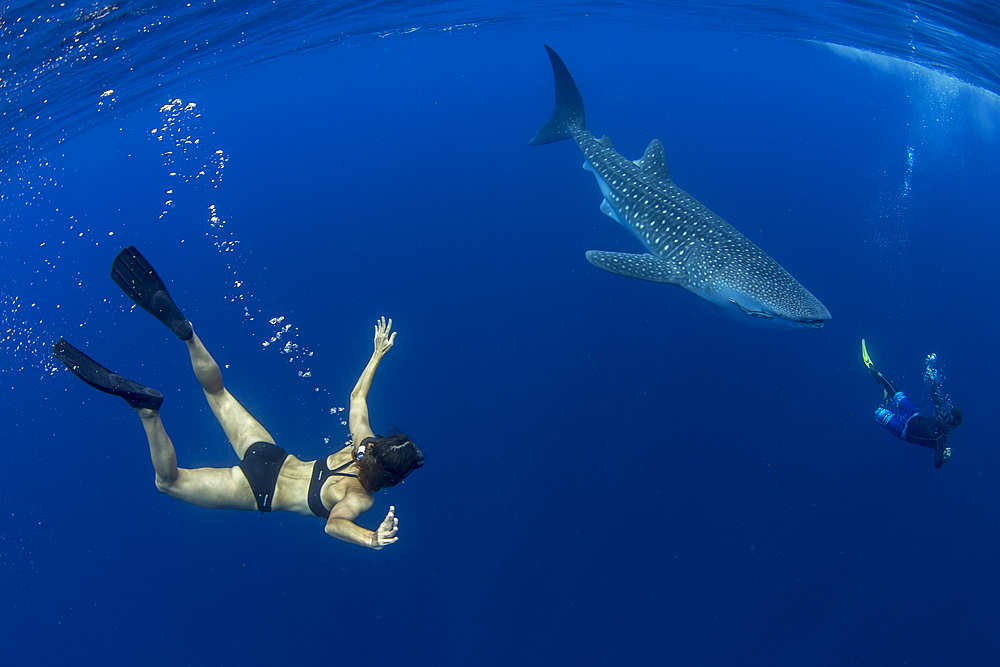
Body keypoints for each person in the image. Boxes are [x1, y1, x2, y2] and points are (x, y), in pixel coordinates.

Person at [53, 246, 423, 549]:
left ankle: (189, 335)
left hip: (271, 454)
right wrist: (371, 537)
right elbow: (335, 525)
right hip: (256, 488)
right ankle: (147, 412)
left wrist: (376, 355)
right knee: (169, 482)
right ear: (393, 478)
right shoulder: (361, 497)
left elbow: (357, 398)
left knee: (216, 391)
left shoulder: (363, 444)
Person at [862, 339, 962, 469]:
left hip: (903, 430)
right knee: (894, 389)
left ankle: (883, 404)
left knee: (878, 413)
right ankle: (874, 371)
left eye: (948, 419)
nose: (945, 417)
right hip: (911, 413)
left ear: (952, 426)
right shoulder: (942, 415)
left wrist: (944, 458)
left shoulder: (941, 441)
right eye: (947, 413)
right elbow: (936, 397)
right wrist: (933, 379)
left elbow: (937, 464)